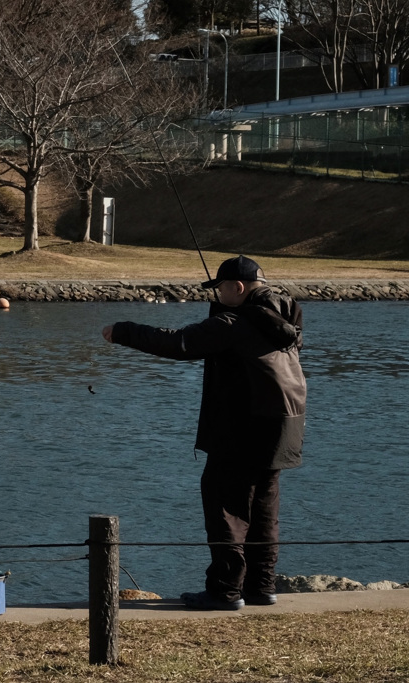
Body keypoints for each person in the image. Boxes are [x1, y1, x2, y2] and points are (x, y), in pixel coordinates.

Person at [101, 255, 306, 610]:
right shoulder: (283, 317)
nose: (216, 295)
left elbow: (179, 342)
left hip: (243, 427)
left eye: (220, 289)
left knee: (225, 505)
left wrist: (123, 331)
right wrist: (220, 309)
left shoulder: (235, 322)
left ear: (238, 288)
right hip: (284, 426)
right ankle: (260, 587)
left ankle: (224, 591)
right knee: (262, 509)